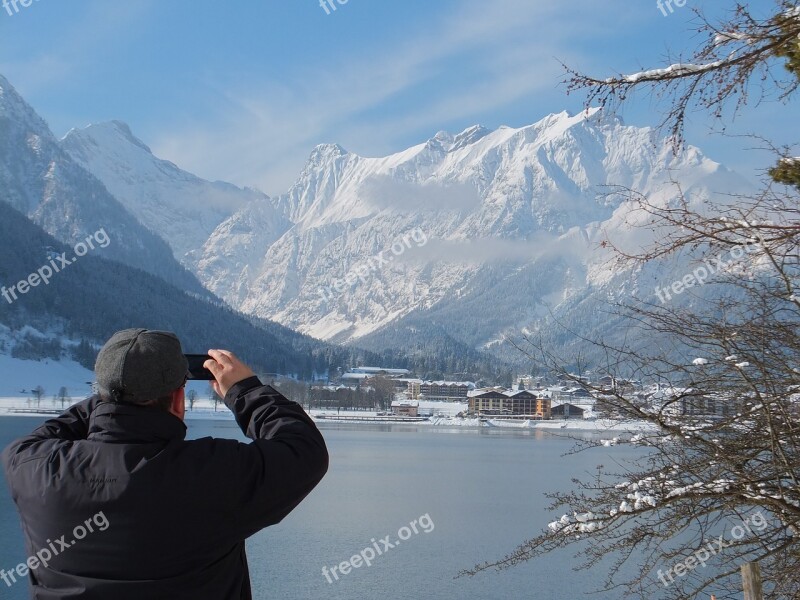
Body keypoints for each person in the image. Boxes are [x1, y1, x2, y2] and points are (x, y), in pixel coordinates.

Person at [1, 328, 329, 599]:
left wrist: (115, 391)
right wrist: (244, 391)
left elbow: (47, 434)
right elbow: (304, 450)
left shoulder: (33, 468)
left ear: (101, 394)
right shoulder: (212, 475)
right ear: (177, 398)